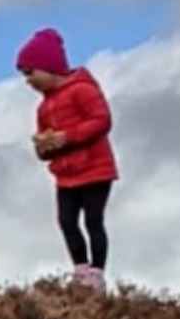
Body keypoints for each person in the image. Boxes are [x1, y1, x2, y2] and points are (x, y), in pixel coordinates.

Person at [17, 28, 118, 291]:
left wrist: (68, 136)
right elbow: (45, 142)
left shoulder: (83, 90)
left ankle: (96, 275)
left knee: (93, 220)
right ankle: (80, 271)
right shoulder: (43, 107)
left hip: (96, 170)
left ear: (49, 67)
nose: (28, 81)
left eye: (30, 73)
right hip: (65, 175)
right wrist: (45, 148)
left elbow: (102, 121)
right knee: (66, 221)